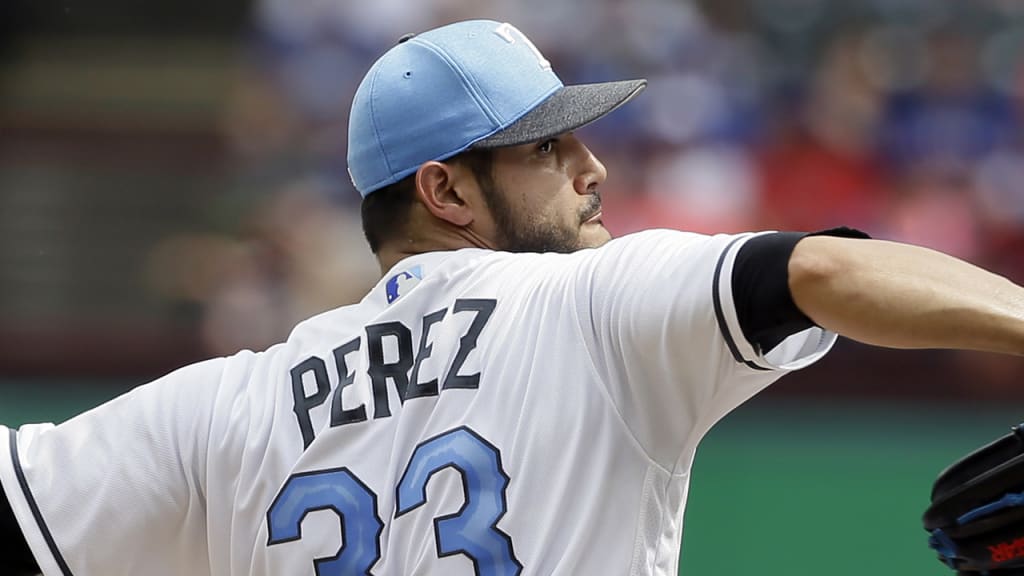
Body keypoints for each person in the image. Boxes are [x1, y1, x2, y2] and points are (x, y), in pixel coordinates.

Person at [3, 18, 1024, 576]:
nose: (592, 170)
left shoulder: (227, 405)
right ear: (446, 190)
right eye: (546, 149)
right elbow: (825, 273)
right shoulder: (584, 306)